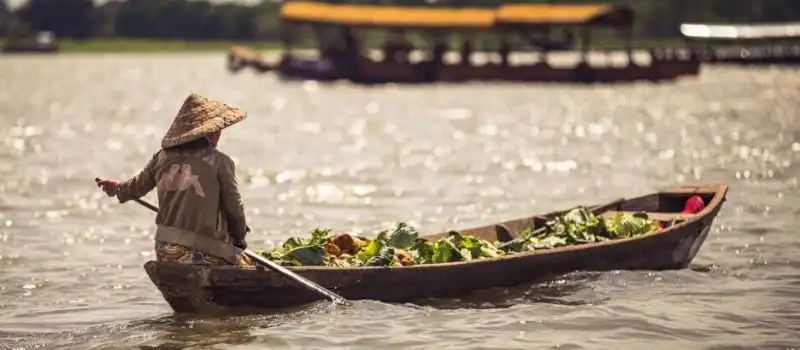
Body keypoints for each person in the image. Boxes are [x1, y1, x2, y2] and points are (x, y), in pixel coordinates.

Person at [97, 93, 253, 266]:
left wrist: (117, 188)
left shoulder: (161, 158)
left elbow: (135, 188)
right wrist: (239, 241)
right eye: (219, 131)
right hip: (202, 253)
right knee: (248, 264)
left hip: (164, 251)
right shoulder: (221, 162)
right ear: (211, 132)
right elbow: (235, 207)